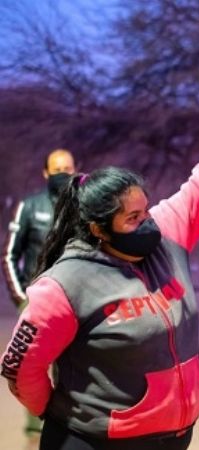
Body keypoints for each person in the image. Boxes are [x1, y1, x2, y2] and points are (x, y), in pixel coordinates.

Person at [0, 54, 199, 450]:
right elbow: (20, 368)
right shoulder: (64, 286)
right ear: (98, 228)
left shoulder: (166, 234)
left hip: (174, 437)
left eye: (145, 209)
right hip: (95, 442)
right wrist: (63, 416)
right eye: (133, 218)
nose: (147, 222)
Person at [2, 148, 76, 444]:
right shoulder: (29, 206)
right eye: (57, 169)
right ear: (46, 173)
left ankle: (70, 430)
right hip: (38, 305)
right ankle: (36, 434)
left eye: (68, 168)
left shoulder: (85, 207)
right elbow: (9, 255)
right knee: (32, 367)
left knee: (73, 366)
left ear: (76, 169)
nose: (63, 174)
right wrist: (22, 298)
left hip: (76, 304)